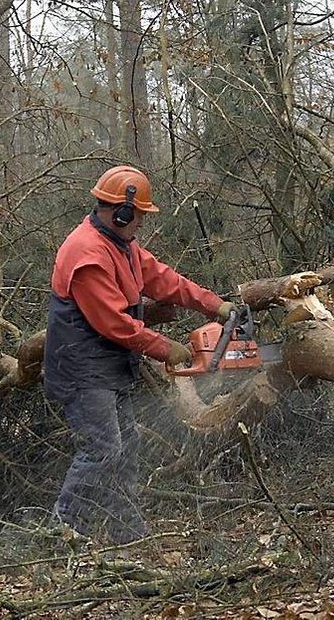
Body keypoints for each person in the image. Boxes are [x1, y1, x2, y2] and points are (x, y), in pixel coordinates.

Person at [44, 165, 234, 544]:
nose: (141, 223)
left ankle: (126, 533)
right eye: (139, 216)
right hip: (82, 370)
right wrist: (167, 348)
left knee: (125, 447)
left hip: (109, 367)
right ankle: (61, 532)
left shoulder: (122, 246)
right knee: (103, 449)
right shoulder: (88, 254)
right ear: (122, 212)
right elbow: (114, 323)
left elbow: (164, 279)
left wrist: (213, 305)